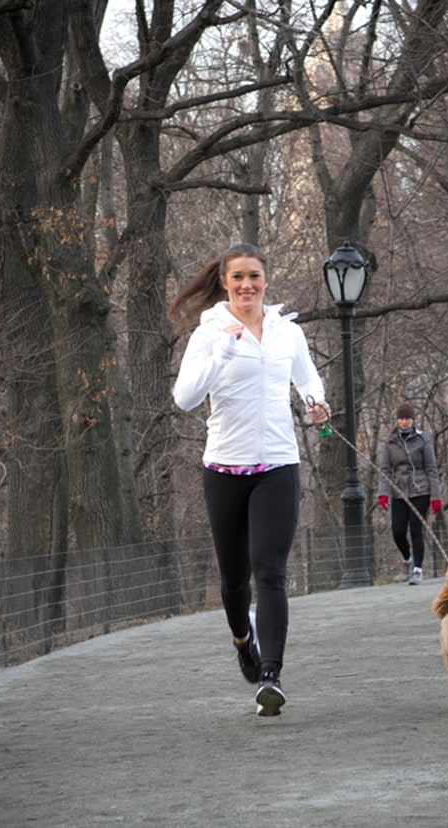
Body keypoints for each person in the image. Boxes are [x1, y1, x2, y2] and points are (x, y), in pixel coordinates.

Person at [170, 242, 330, 717]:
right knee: (234, 581)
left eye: (254, 276)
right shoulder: (209, 334)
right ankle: (244, 639)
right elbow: (185, 398)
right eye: (238, 277)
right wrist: (224, 348)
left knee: (271, 571)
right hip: (224, 470)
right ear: (224, 282)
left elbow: (308, 380)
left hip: (278, 465)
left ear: (266, 280)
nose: (247, 285)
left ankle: (272, 676)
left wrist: (315, 403)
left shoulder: (287, 333)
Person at [377, 402, 442, 585]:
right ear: (397, 420)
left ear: (413, 420)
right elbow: (385, 469)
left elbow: (431, 469)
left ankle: (418, 571)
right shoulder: (390, 442)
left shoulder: (423, 440)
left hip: (420, 490)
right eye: (401, 418)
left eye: (407, 419)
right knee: (398, 531)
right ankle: (407, 558)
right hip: (399, 491)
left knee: (415, 529)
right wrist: (383, 493)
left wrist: (436, 497)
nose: (404, 422)